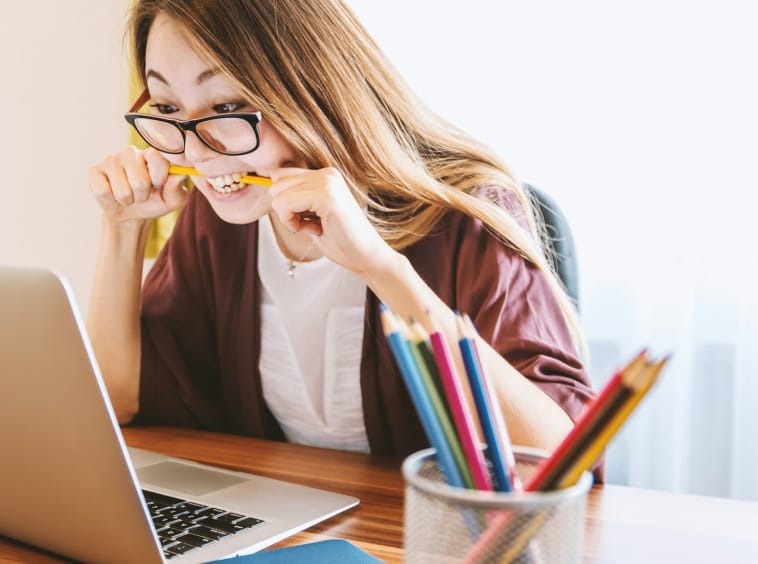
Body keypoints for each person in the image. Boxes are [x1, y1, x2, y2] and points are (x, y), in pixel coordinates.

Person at [87, 0, 598, 469]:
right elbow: (116, 399)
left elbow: (562, 460)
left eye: (226, 107)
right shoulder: (220, 220)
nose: (195, 153)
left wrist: (380, 267)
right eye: (168, 108)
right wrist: (123, 230)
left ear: (311, 88)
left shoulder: (466, 213)